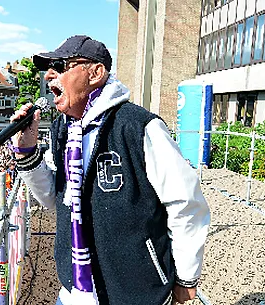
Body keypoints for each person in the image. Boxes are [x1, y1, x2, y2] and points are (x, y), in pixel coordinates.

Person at [11, 35, 211, 305]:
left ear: (95, 73)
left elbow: (186, 204)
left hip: (136, 293)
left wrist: (186, 277)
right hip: (74, 292)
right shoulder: (61, 129)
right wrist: (27, 150)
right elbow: (51, 197)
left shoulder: (139, 127)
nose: (49, 75)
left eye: (60, 65)